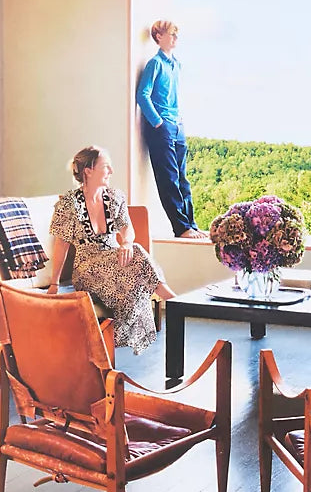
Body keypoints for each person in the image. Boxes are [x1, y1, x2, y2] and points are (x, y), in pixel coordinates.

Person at [46, 145, 175, 355]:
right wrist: (54, 283)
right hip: (87, 268)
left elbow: (128, 229)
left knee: (135, 251)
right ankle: (174, 302)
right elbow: (62, 243)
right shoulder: (68, 203)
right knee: (137, 257)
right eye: (106, 166)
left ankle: (169, 300)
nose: (111, 171)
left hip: (115, 259)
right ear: (88, 170)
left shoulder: (115, 197)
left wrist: (125, 243)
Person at [136, 20, 205, 240]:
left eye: (176, 35)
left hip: (177, 125)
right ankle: (181, 228)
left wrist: (178, 121)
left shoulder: (176, 65)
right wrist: (157, 122)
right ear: (158, 37)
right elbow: (143, 95)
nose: (175, 39)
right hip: (162, 127)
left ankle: (190, 224)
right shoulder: (155, 63)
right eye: (171, 35)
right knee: (169, 179)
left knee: (183, 178)